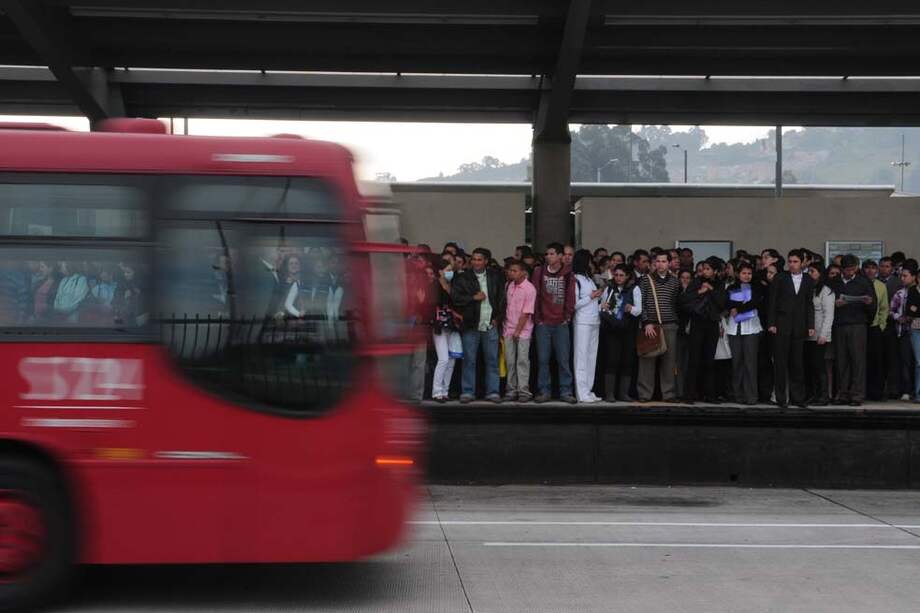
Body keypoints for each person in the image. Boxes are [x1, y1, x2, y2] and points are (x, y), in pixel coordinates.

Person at [451, 247, 506, 403]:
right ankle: (468, 392)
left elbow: (503, 300)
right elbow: (455, 298)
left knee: (492, 360)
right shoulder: (463, 278)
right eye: (474, 259)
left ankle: (493, 392)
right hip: (471, 324)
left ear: (486, 261)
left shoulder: (496, 277)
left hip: (490, 324)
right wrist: (473, 297)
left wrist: (498, 318)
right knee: (469, 360)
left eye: (479, 259)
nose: (475, 262)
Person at [767, 249, 815, 408]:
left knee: (797, 363)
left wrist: (810, 325)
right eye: (790, 261)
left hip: (799, 326)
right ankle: (781, 398)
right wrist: (772, 323)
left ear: (802, 263)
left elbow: (809, 304)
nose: (792, 265)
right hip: (781, 325)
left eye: (795, 262)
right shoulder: (780, 277)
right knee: (780, 363)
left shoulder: (808, 279)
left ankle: (798, 397)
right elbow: (772, 301)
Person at [532, 243, 577, 403]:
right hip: (543, 323)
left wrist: (567, 316)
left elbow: (571, 297)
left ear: (560, 256)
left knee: (563, 360)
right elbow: (535, 295)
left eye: (551, 254)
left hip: (561, 323)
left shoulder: (568, 273)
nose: (548, 256)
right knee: (543, 359)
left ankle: (566, 391)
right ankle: (544, 391)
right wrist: (538, 319)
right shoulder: (539, 271)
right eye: (547, 254)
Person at [829, 254, 876, 406]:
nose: (851, 272)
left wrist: (869, 304)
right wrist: (835, 304)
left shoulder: (864, 282)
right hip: (840, 324)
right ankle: (842, 394)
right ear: (842, 269)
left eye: (853, 269)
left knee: (858, 361)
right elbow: (826, 303)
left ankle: (857, 395)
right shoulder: (834, 282)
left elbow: (872, 305)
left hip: (858, 324)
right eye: (848, 269)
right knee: (842, 361)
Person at [679, 257, 727, 404]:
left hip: (711, 324)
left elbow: (722, 303)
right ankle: (690, 395)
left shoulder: (719, 284)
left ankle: (710, 395)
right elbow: (684, 301)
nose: (705, 271)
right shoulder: (696, 282)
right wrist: (700, 291)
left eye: (708, 269)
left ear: (715, 271)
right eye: (703, 268)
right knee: (694, 360)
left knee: (709, 361)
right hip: (697, 324)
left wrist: (711, 290)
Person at [637, 252, 681, 402]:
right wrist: (646, 322)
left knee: (669, 362)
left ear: (669, 263)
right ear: (654, 263)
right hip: (651, 325)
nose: (661, 264)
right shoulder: (645, 280)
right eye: (658, 261)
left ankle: (668, 394)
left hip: (670, 325)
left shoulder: (675, 282)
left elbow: (675, 303)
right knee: (647, 360)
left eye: (664, 261)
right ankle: (644, 394)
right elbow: (641, 303)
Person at [725, 261, 763, 405]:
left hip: (751, 329)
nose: (747, 276)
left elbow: (754, 303)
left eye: (749, 273)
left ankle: (751, 396)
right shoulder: (732, 287)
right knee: (736, 363)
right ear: (738, 274)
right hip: (735, 329)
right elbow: (728, 303)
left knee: (750, 364)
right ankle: (737, 395)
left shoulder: (757, 287)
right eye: (744, 273)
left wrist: (738, 308)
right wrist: (737, 307)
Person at [600, 264, 638, 401]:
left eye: (621, 275)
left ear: (628, 276)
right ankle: (610, 394)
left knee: (627, 361)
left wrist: (631, 309)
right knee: (612, 360)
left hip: (628, 329)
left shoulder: (634, 289)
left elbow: (639, 309)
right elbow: (602, 307)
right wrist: (602, 306)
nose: (618, 278)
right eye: (616, 275)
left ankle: (624, 394)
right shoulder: (609, 288)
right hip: (612, 329)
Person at [572, 250, 603, 402]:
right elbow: (574, 304)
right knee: (581, 357)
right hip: (582, 322)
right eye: (589, 261)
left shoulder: (589, 279)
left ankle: (589, 390)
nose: (591, 264)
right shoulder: (575, 279)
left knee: (592, 357)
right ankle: (581, 392)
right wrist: (591, 296)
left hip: (594, 320)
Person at [503, 260, 536, 402]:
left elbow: (526, 312)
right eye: (510, 270)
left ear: (523, 272)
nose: (511, 273)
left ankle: (523, 390)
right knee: (510, 361)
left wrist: (517, 330)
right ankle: (511, 390)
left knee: (522, 360)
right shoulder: (509, 285)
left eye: (515, 271)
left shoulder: (529, 288)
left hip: (523, 331)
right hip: (508, 329)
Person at [431, 258, 460, 402]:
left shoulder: (451, 284)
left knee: (452, 359)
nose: (450, 273)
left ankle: (445, 390)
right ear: (440, 271)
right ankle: (437, 392)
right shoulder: (434, 285)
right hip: (439, 325)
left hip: (452, 325)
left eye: (451, 270)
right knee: (443, 359)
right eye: (448, 270)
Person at [805, 263, 835, 406]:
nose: (810, 273)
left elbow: (829, 315)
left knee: (819, 365)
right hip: (807, 333)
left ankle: (823, 395)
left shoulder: (827, 291)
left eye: (813, 271)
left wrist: (824, 334)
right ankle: (813, 394)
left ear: (820, 273)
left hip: (820, 334)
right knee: (810, 366)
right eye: (809, 271)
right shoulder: (809, 289)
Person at [862, 259, 890, 401]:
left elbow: (884, 308)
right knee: (861, 360)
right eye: (867, 268)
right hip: (861, 327)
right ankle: (863, 391)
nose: (870, 271)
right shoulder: (860, 284)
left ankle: (876, 392)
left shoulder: (881, 286)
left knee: (876, 361)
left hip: (875, 328)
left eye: (873, 268)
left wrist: (881, 325)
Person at [890, 266, 918, 401]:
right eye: (901, 276)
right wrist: (898, 317)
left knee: (917, 362)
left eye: (905, 276)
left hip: (917, 329)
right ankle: (907, 390)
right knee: (906, 362)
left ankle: (916, 390)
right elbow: (892, 311)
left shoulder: (917, 292)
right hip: (904, 331)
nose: (902, 278)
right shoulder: (899, 294)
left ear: (914, 277)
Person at [879, 256, 903, 399]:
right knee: (879, 358)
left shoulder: (898, 283)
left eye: (887, 266)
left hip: (892, 324)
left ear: (892, 268)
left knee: (893, 358)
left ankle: (893, 389)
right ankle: (880, 388)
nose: (884, 269)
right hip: (878, 324)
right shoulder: (873, 282)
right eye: (882, 266)